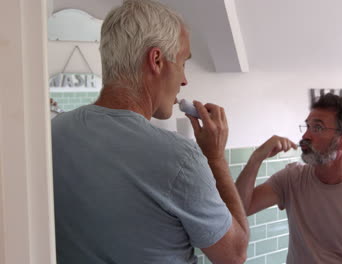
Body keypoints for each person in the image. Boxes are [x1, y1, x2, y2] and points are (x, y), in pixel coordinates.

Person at [52, 0, 248, 263]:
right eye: (182, 62)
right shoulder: (179, 158)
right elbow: (234, 255)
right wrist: (215, 158)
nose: (184, 80)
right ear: (156, 60)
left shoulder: (54, 133)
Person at [236, 93, 342, 263]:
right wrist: (256, 159)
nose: (306, 136)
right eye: (307, 126)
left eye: (317, 128)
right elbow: (240, 208)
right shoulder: (292, 178)